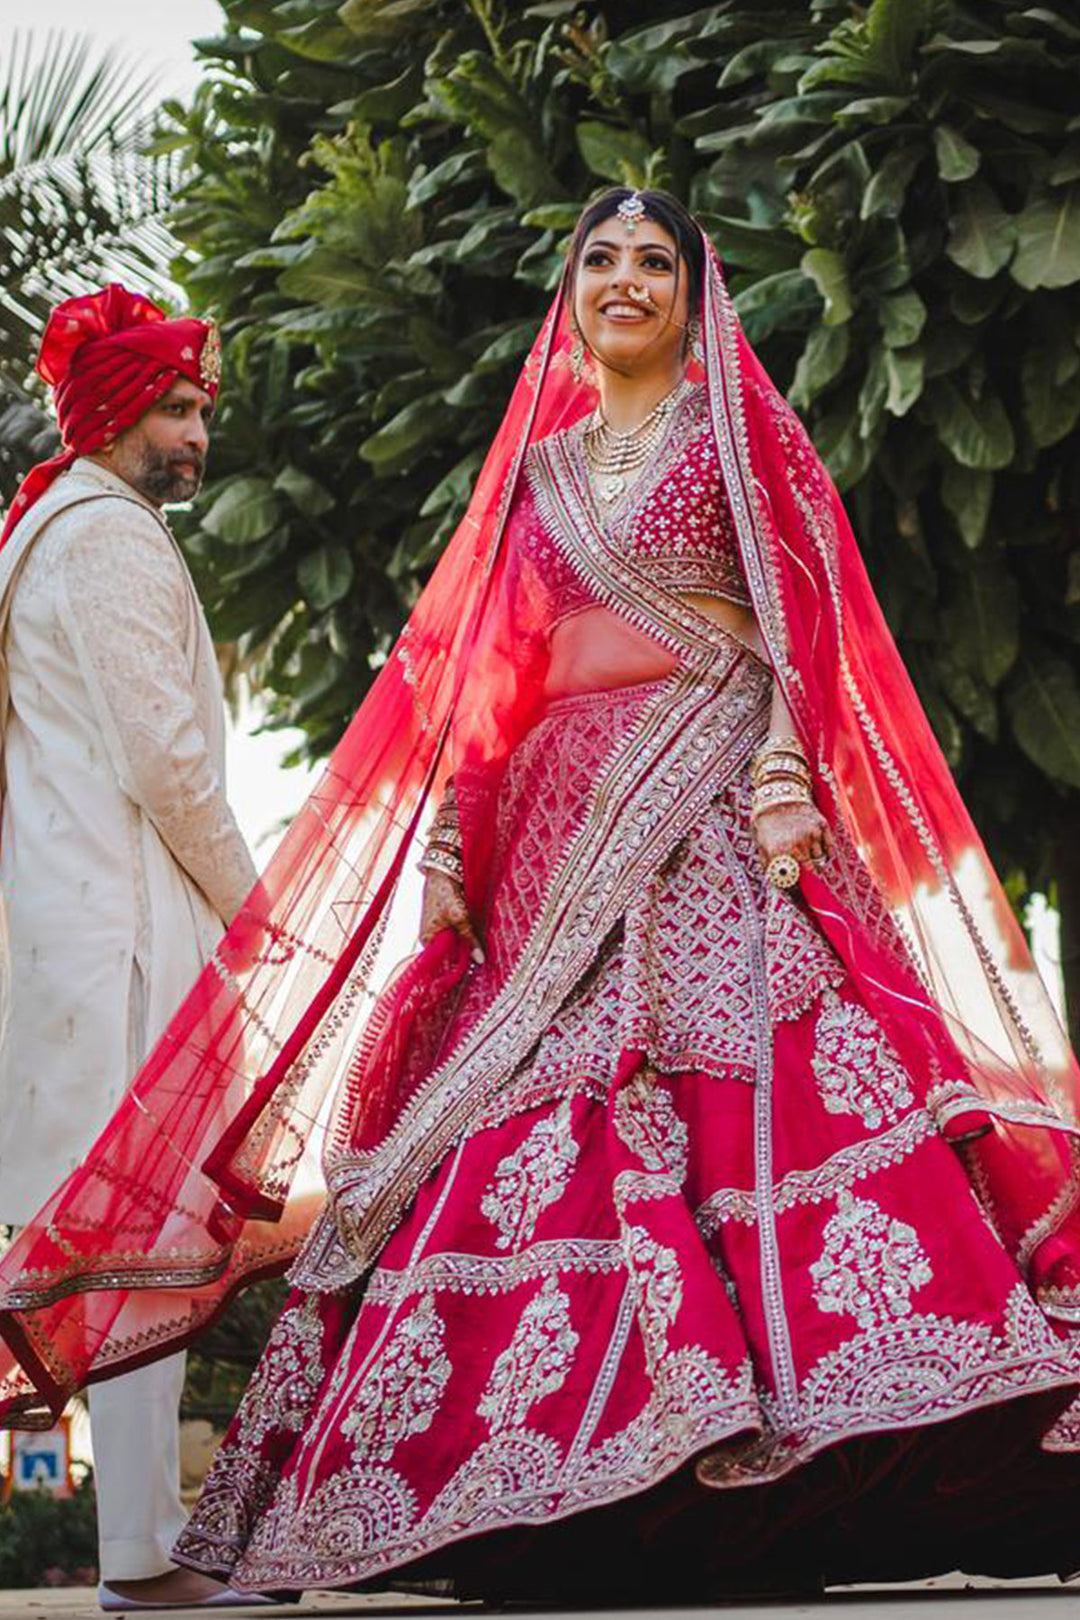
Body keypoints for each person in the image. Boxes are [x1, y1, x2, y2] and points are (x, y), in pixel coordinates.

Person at [4, 192, 1080, 1598]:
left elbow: (805, 626)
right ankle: (548, 1501)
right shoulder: (540, 472)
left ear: (696, 300)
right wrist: (454, 839)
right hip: (552, 847)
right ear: (567, 294)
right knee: (523, 1131)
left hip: (711, 822)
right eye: (600, 260)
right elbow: (488, 689)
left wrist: (781, 767)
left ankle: (807, 1478)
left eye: (657, 262)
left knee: (731, 1107)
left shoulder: (744, 443)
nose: (626, 280)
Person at [0, 286, 260, 1610]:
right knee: (136, 1241)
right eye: (172, 406)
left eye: (201, 409)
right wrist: (258, 904)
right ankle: (142, 1561)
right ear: (109, 413)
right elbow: (167, 764)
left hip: (77, 922)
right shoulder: (102, 537)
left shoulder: (49, 531)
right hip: (114, 935)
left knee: (117, 1247)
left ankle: (148, 1545)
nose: (196, 433)